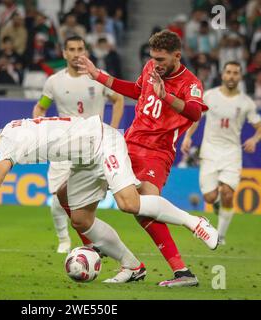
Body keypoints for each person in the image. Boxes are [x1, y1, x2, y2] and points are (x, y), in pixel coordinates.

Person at [0, 116, 218, 283]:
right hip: (85, 159)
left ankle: (194, 222)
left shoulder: (9, 144)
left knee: (129, 203)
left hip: (102, 142)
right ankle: (132, 266)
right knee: (80, 218)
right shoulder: (7, 131)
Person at [77, 29, 209, 287]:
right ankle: (120, 260)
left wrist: (166, 96)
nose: (155, 63)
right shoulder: (151, 68)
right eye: (153, 58)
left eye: (161, 59)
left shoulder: (190, 83)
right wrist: (98, 76)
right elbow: (137, 90)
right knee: (73, 199)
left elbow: (195, 113)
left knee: (144, 205)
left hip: (157, 152)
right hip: (128, 144)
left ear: (177, 56)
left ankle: (181, 271)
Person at [32, 36, 124, 254]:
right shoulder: (54, 81)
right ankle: (64, 239)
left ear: (86, 52)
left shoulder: (98, 77)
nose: (76, 53)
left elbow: (118, 99)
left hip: (93, 146)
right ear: (64, 53)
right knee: (57, 195)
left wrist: (111, 129)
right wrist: (41, 128)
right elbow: (40, 108)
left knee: (87, 202)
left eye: (80, 49)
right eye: (71, 49)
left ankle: (92, 242)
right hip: (63, 145)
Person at [181, 61, 261, 245]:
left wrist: (254, 139)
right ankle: (218, 205)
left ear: (240, 76)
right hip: (210, 151)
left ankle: (220, 235)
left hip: (232, 154)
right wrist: (187, 137)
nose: (231, 76)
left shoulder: (246, 103)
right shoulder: (209, 96)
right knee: (210, 197)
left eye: (235, 73)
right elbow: (195, 119)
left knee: (227, 192)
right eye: (228, 72)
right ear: (222, 74)